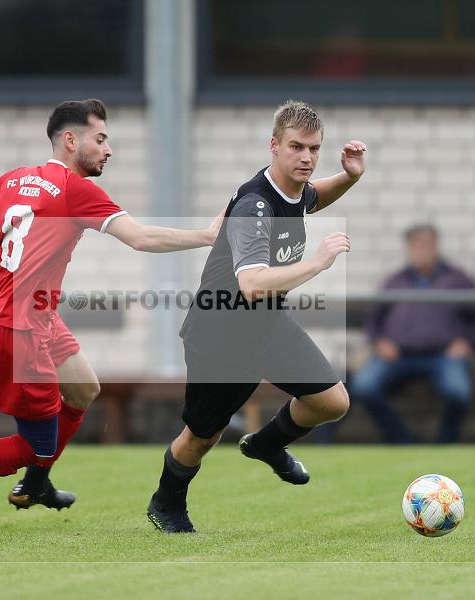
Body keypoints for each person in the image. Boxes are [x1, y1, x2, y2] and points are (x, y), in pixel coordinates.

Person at [0, 99, 221, 528]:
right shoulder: (76, 190)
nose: (108, 150)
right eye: (101, 139)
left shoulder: (13, 179)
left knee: (85, 389)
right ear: (71, 140)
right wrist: (206, 235)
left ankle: (37, 482)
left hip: (32, 319)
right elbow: (141, 238)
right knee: (34, 445)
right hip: (20, 332)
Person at [145, 100, 366, 533]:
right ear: (274, 146)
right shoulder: (253, 206)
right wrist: (318, 264)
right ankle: (166, 503)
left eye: (314, 149)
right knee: (202, 437)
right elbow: (253, 284)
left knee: (332, 401)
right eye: (297, 147)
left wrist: (350, 177)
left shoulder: (295, 188)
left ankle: (266, 444)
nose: (306, 157)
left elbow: (313, 198)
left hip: (266, 326)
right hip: (220, 334)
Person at [349, 224, 475, 444]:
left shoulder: (458, 279)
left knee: (458, 391)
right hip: (398, 355)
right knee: (364, 387)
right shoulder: (394, 281)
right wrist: (380, 342)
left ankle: (445, 444)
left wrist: (467, 343)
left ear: (436, 246)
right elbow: (373, 320)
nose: (421, 250)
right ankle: (402, 441)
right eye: (416, 245)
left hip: (443, 356)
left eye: (426, 244)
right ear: (408, 248)